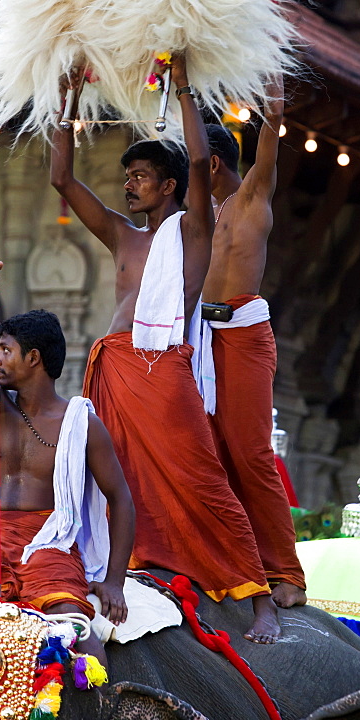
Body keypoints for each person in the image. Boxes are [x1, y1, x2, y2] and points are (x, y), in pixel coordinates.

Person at [51, 54, 283, 644]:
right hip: (115, 367)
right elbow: (61, 181)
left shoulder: (194, 231)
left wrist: (180, 85)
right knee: (115, 475)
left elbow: (202, 157)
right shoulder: (121, 237)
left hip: (165, 369)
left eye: (142, 175)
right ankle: (124, 571)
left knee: (202, 477)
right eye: (127, 177)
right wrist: (68, 100)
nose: (129, 184)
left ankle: (258, 600)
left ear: (171, 186)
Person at [0, 252, 135, 664]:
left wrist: (114, 581)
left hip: (49, 544)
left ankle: (102, 714)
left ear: (33, 358)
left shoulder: (81, 422)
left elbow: (123, 500)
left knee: (75, 632)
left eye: (5, 350)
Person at [200, 77, 306, 609]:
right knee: (210, 454)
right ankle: (234, 563)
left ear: (213, 163)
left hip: (243, 333)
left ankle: (287, 573)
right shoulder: (197, 217)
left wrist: (273, 97)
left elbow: (270, 137)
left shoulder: (252, 194)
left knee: (251, 453)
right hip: (202, 340)